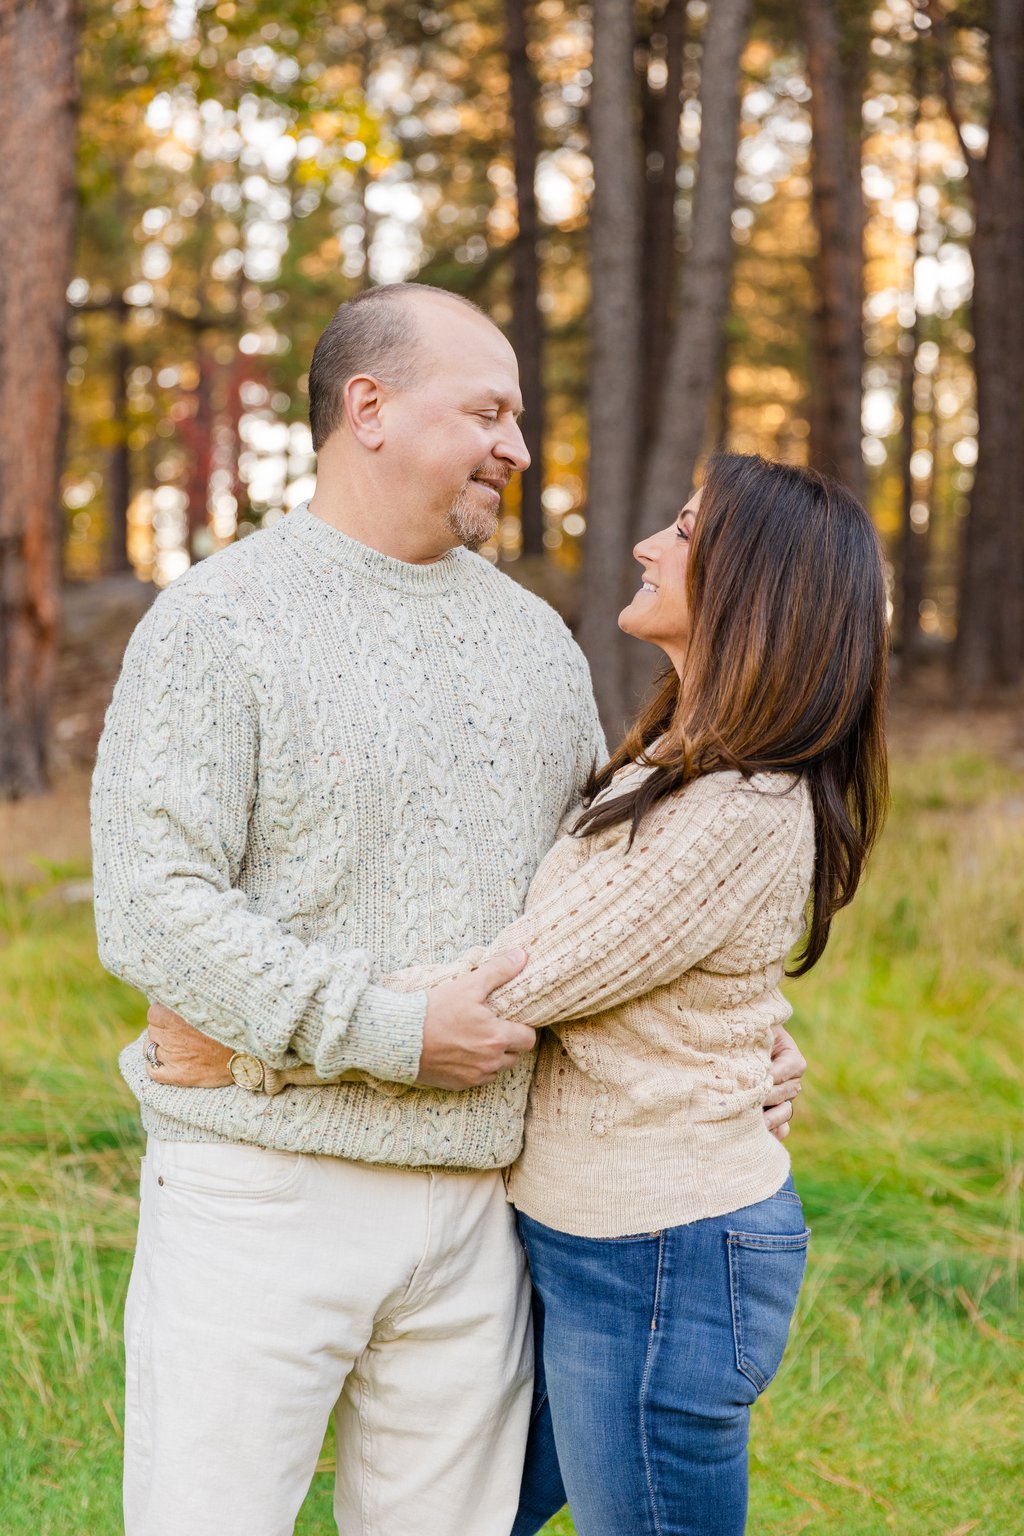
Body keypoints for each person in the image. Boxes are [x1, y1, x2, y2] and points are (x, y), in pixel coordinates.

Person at [93, 283, 805, 1536]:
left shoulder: (536, 645)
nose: (517, 448)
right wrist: (383, 1033)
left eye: (516, 418)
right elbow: (153, 905)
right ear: (368, 408)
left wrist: (727, 1041)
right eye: (488, 412)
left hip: (485, 1207)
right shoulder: (216, 619)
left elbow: (602, 906)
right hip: (262, 1191)